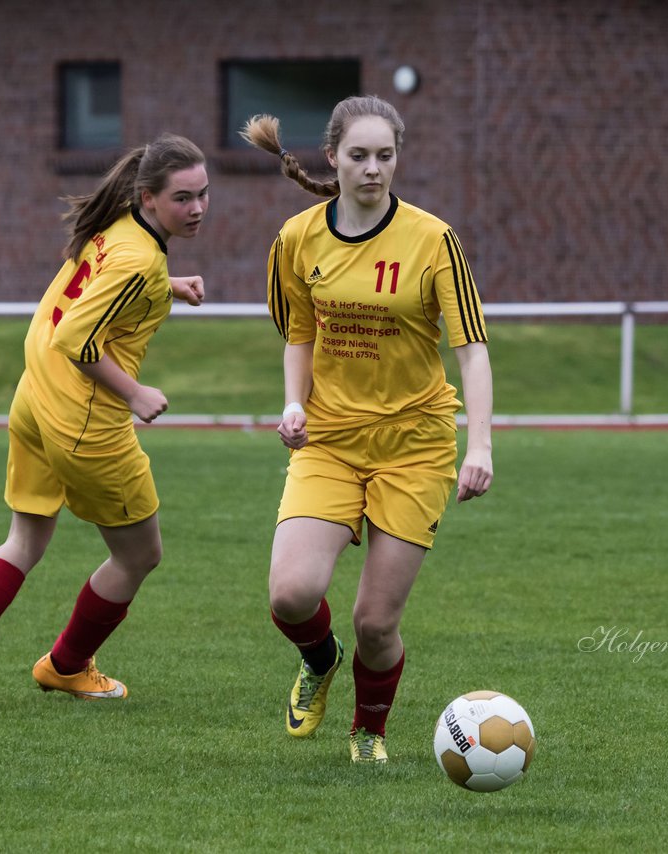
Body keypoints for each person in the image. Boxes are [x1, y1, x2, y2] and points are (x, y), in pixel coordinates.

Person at [241, 96, 494, 763]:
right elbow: (298, 335)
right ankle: (318, 663)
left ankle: (367, 734)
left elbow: (471, 347)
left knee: (376, 622)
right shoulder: (296, 239)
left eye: (386, 156)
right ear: (333, 157)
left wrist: (483, 445)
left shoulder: (433, 240)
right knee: (292, 595)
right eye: (359, 155)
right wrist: (294, 403)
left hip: (415, 446)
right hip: (329, 439)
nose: (374, 168)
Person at [0, 133, 210, 706]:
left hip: (34, 398)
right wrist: (134, 392)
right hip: (83, 420)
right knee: (139, 555)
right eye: (183, 198)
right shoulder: (139, 258)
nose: (198, 208)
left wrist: (166, 288)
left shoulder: (121, 225)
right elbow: (77, 335)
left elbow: (98, 292)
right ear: (149, 197)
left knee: (24, 539)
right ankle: (66, 665)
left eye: (204, 194)